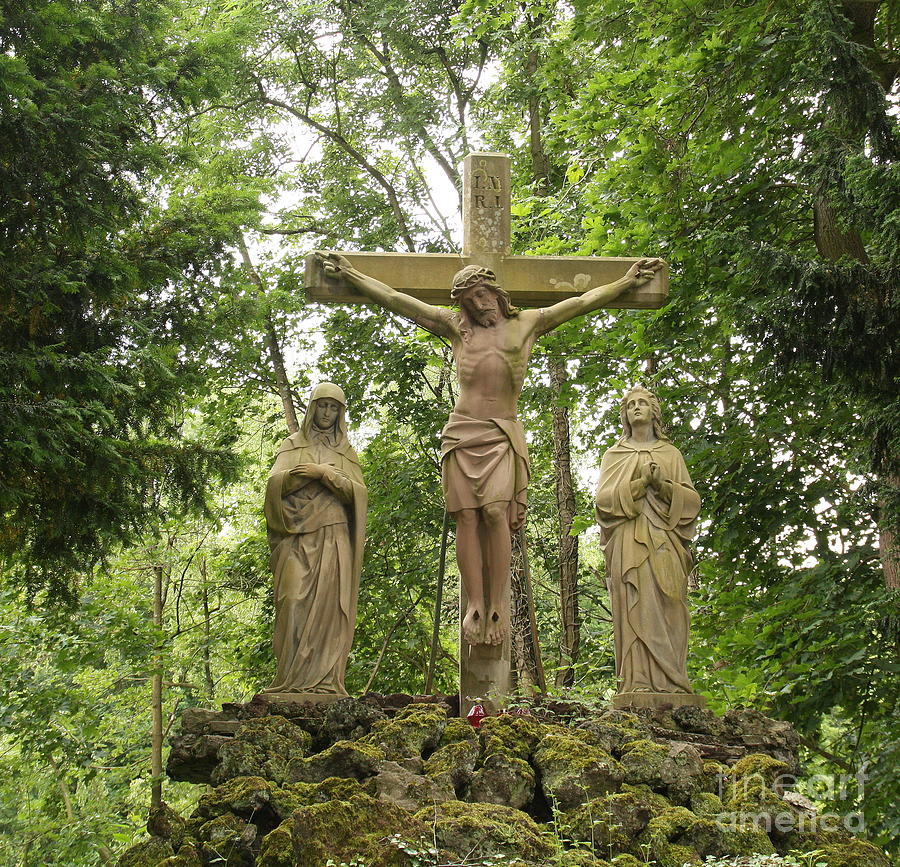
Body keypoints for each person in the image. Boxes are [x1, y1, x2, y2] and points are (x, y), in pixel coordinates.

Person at [319, 252, 662, 646]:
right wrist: (352, 275)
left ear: (497, 293)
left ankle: (496, 603)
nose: (478, 305)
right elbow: (396, 298)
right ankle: (475, 605)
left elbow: (582, 301)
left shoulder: (528, 323)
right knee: (467, 517)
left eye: (482, 295)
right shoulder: (456, 327)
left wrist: (625, 281)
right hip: (462, 432)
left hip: (501, 433)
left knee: (496, 512)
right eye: (469, 300)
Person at [594, 386, 701, 697]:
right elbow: (604, 502)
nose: (636, 408)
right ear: (625, 415)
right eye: (630, 405)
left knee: (671, 603)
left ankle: (673, 680)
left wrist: (663, 485)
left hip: (665, 539)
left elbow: (692, 503)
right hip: (629, 541)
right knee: (635, 602)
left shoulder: (671, 455)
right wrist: (640, 484)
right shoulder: (615, 455)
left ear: (654, 412)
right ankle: (637, 679)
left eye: (642, 403)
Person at [262, 382, 367, 697]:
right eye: (322, 405)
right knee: (291, 601)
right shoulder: (292, 445)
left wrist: (327, 475)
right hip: (295, 538)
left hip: (333, 536)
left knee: (330, 609)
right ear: (312, 409)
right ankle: (290, 679)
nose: (327, 413)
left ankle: (324, 681)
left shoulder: (346, 452)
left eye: (334, 408)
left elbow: (358, 495)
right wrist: (301, 475)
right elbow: (274, 488)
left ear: (340, 414)